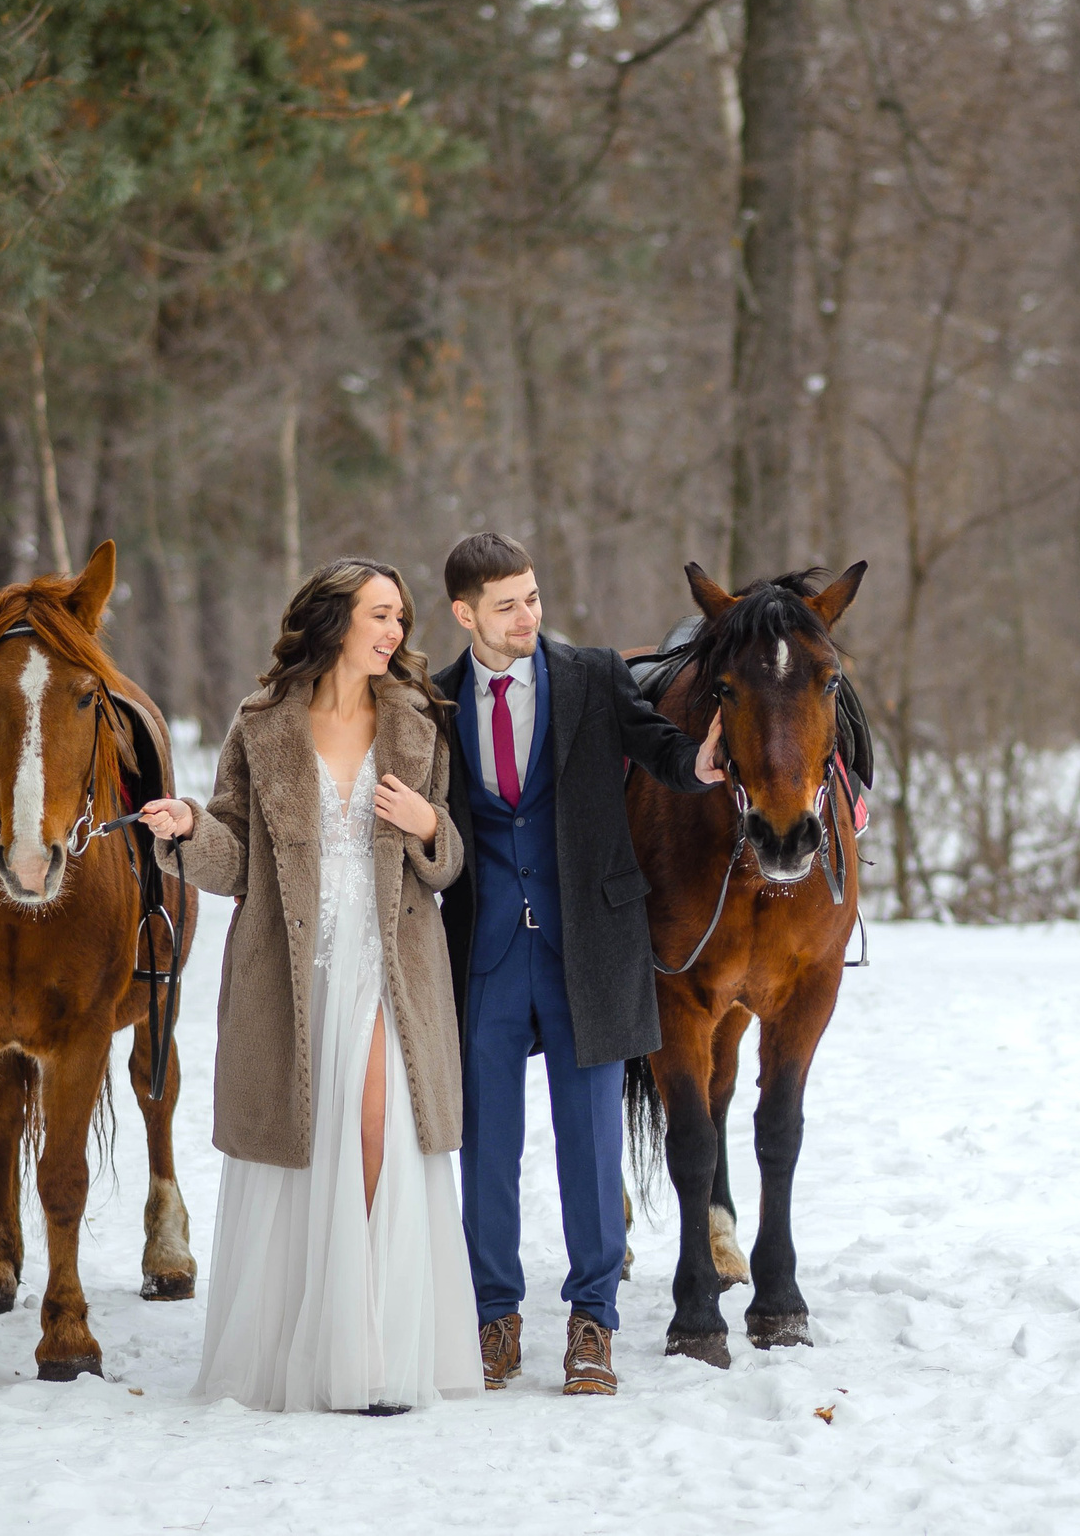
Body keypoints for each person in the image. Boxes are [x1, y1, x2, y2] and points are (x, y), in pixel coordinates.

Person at [139, 559, 480, 1414]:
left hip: (389, 962)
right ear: (333, 622)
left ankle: (374, 1351)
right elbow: (234, 853)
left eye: (399, 616)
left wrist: (429, 824)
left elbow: (450, 862)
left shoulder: (419, 721)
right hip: (290, 968)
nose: (395, 631)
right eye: (379, 614)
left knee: (376, 1132)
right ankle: (310, 1350)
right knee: (303, 1145)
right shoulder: (260, 726)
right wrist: (185, 829)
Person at [433, 532, 726, 1397]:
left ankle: (592, 1319)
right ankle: (495, 1317)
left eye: (532, 596)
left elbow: (658, 746)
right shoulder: (435, 700)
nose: (529, 615)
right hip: (482, 953)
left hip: (588, 950)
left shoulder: (592, 675)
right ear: (465, 614)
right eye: (507, 604)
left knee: (592, 1144)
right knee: (485, 1145)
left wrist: (700, 761)